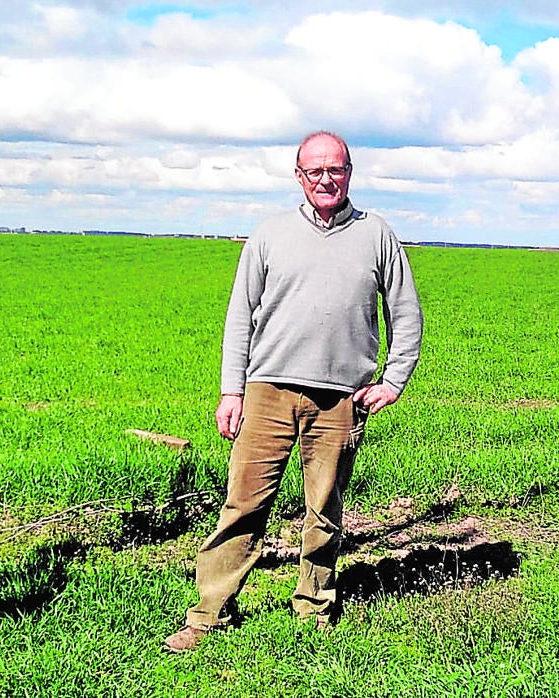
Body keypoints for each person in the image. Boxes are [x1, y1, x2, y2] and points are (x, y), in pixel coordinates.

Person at [164, 131, 424, 653]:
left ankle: (315, 604)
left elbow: (405, 312)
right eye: (314, 171)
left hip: (340, 397)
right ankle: (209, 611)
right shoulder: (269, 234)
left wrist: (394, 380)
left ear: (350, 172)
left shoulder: (377, 235)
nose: (325, 179)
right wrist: (231, 391)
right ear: (298, 176)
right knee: (244, 503)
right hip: (267, 391)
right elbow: (240, 317)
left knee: (324, 507)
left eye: (335, 169)